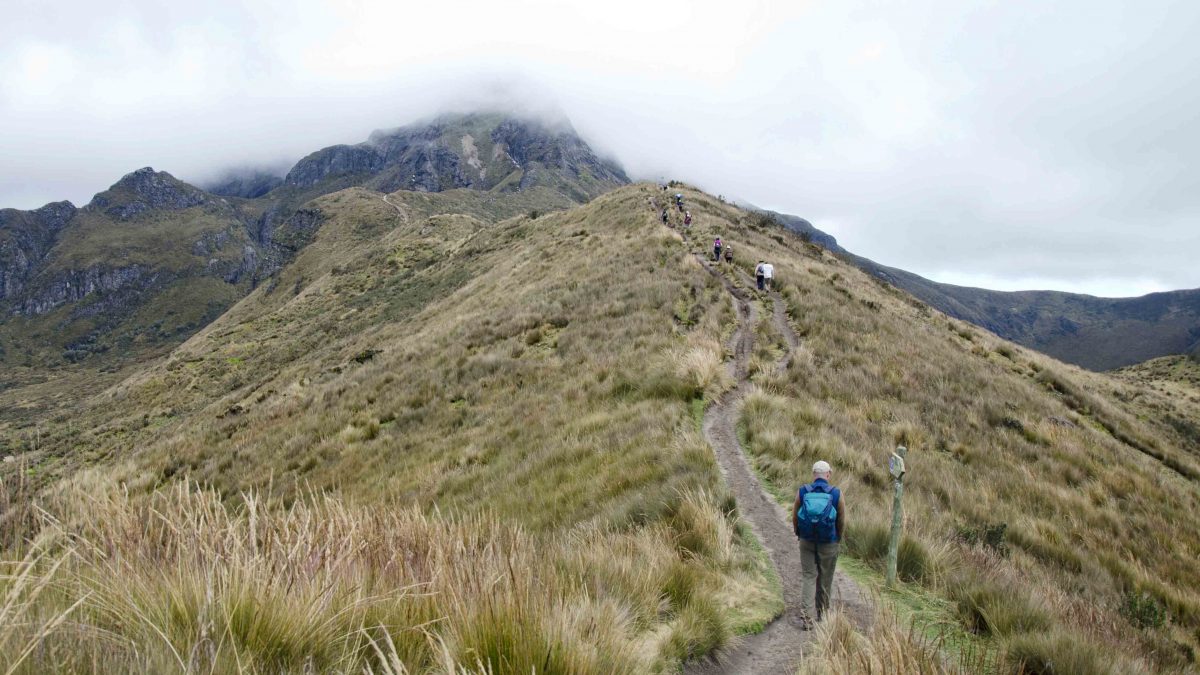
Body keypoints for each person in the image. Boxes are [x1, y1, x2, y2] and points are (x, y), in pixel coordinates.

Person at [793, 460, 845, 628]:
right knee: (825, 578)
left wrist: (798, 532)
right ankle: (822, 613)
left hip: (806, 540)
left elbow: (794, 515)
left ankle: (807, 618)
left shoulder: (802, 492)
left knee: (808, 576)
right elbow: (841, 519)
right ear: (828, 475)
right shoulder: (836, 494)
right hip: (828, 542)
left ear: (814, 474)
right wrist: (838, 537)